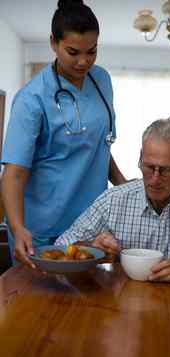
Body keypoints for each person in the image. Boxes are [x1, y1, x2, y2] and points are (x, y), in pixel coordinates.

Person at [1, 0, 126, 267]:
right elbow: (14, 173)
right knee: (38, 305)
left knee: (88, 303)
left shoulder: (101, 79)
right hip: (41, 228)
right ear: (53, 43)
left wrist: (125, 186)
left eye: (91, 51)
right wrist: (17, 226)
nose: (84, 62)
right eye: (73, 52)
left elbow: (98, 146)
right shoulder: (31, 99)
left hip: (89, 225)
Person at [55, 118, 170, 283]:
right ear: (140, 158)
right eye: (149, 167)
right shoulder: (113, 201)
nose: (155, 179)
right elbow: (60, 246)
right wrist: (91, 250)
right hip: (123, 307)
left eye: (166, 170)